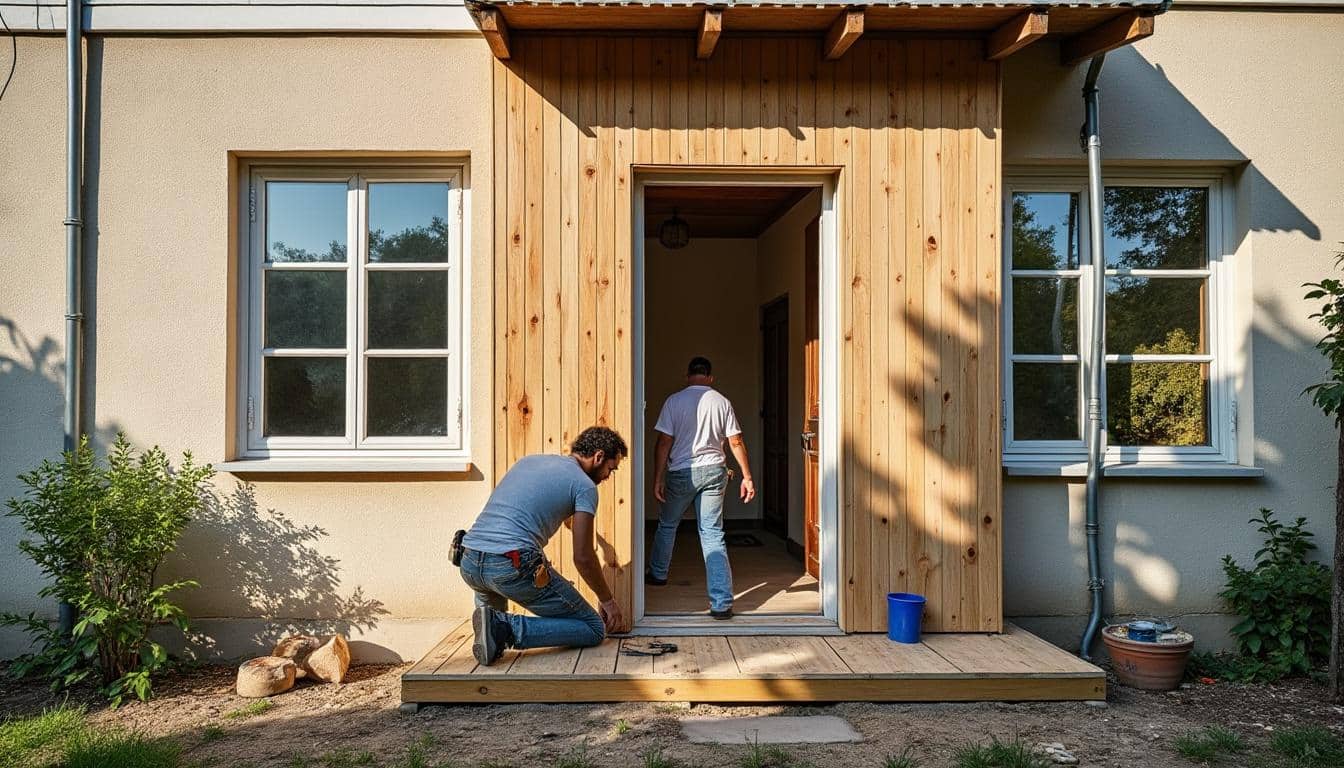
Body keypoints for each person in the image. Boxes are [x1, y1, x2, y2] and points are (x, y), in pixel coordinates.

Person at [459, 426, 628, 665]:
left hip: (470, 560)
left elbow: (530, 506)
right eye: (610, 469)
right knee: (592, 628)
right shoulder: (584, 486)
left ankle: (495, 630)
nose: (607, 477)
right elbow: (582, 557)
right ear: (598, 456)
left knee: (490, 632)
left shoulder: (529, 462)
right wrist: (608, 601)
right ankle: (507, 629)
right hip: (509, 565)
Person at [646, 356, 755, 619]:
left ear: (687, 375)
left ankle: (658, 574)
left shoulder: (674, 401)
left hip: (681, 472)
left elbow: (663, 443)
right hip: (715, 471)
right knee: (712, 533)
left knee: (668, 524)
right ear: (710, 377)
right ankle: (721, 603)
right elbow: (735, 441)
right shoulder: (721, 401)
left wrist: (658, 477)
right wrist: (747, 476)